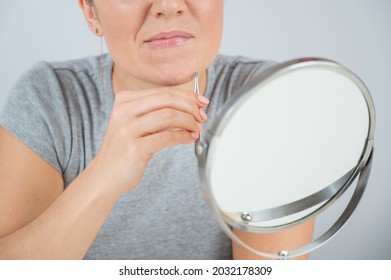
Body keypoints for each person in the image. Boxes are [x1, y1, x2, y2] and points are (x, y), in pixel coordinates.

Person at [0, 0, 314, 260]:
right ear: (91, 13)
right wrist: (105, 174)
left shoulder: (270, 98)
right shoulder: (48, 98)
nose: (168, 6)